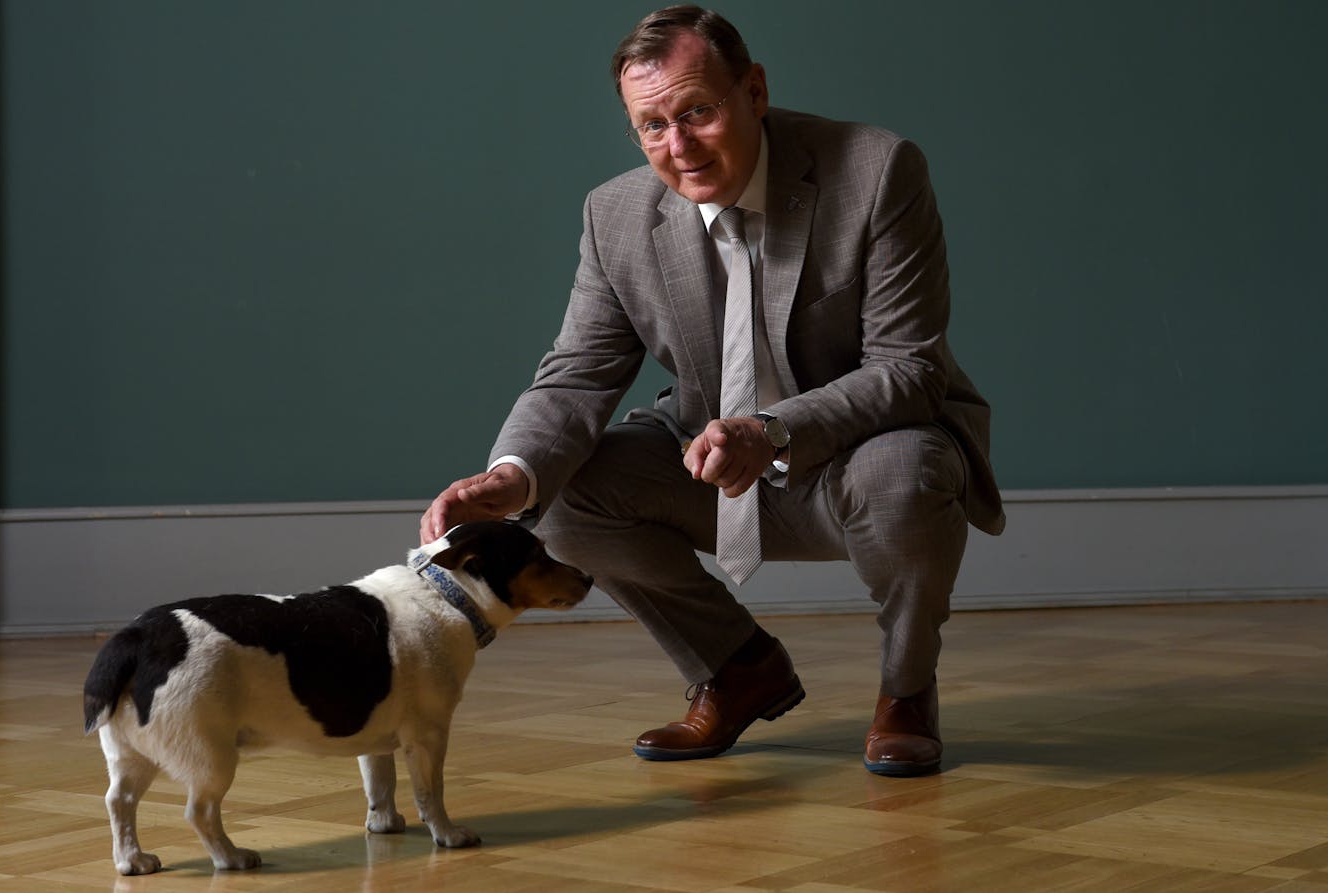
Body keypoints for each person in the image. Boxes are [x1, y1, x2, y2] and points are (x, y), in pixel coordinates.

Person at [420, 4, 1002, 777]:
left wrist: (773, 430)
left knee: (908, 468)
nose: (678, 145)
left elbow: (910, 367)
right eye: (652, 125)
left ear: (753, 91)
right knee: (558, 490)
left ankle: (906, 691)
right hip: (706, 460)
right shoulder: (616, 214)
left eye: (697, 111)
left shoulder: (876, 170)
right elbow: (580, 369)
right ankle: (736, 669)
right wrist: (510, 474)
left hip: (859, 458)